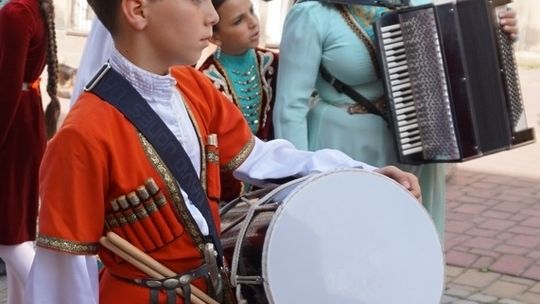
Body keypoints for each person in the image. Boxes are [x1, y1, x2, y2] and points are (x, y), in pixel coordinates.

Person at [24, 0, 420, 303]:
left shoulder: (192, 88)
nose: (212, 16)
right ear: (138, 10)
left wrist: (358, 173)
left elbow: (262, 159)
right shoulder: (83, 136)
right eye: (196, 0)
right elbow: (64, 272)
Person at [273, 0, 519, 239]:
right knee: (348, 244)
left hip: (417, 145)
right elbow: (290, 106)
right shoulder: (312, 12)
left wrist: (495, 31)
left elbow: (456, 56)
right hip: (344, 148)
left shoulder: (417, 2)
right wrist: (298, 181)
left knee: (411, 243)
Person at [0, 0, 60, 303]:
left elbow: (6, 86)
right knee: (15, 233)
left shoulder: (15, 13)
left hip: (12, 130)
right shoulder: (32, 8)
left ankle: (50, 297)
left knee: (7, 239)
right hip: (26, 122)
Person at [198, 0, 279, 201]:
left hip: (274, 174)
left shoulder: (274, 63)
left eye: (252, 11)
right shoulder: (206, 80)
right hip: (229, 189)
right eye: (238, 21)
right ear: (214, 35)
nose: (253, 23)